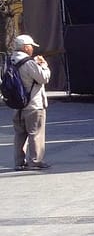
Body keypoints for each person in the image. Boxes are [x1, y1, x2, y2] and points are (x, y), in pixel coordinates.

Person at [11, 34, 51, 171]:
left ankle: (18, 162)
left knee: (19, 134)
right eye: (31, 46)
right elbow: (43, 78)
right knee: (35, 134)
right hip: (33, 104)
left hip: (16, 104)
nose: (33, 49)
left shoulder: (9, 61)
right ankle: (35, 161)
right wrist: (44, 66)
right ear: (25, 48)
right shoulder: (28, 63)